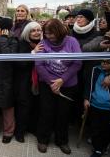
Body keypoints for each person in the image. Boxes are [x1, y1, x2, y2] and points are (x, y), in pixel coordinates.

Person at [35, 19, 82, 154]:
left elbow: (77, 63)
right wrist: (52, 82)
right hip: (47, 84)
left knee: (63, 114)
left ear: (59, 31)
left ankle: (62, 141)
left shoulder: (72, 42)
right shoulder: (43, 43)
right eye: (47, 33)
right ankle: (43, 140)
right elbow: (39, 65)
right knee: (46, 112)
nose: (49, 36)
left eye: (52, 33)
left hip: (68, 84)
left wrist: (62, 80)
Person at [14, 21, 43, 143]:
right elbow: (20, 63)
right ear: (27, 32)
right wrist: (33, 53)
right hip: (24, 81)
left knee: (37, 105)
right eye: (33, 30)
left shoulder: (44, 44)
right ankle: (19, 132)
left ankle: (32, 128)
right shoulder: (22, 44)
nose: (36, 33)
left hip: (40, 81)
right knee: (23, 107)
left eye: (38, 30)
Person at [84, 60, 110, 157]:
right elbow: (89, 84)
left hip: (109, 108)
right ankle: (97, 149)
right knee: (95, 128)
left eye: (108, 62)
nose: (104, 64)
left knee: (107, 129)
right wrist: (87, 98)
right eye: (103, 61)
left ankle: (104, 146)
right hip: (95, 104)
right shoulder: (95, 70)